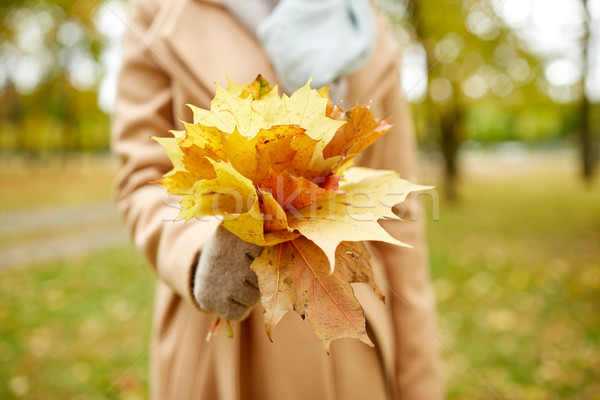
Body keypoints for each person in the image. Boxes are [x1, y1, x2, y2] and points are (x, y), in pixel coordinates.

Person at [112, 0, 443, 398]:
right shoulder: (159, 10)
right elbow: (144, 178)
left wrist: (418, 385)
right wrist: (197, 252)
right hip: (225, 344)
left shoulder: (368, 25)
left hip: (350, 340)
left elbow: (400, 217)